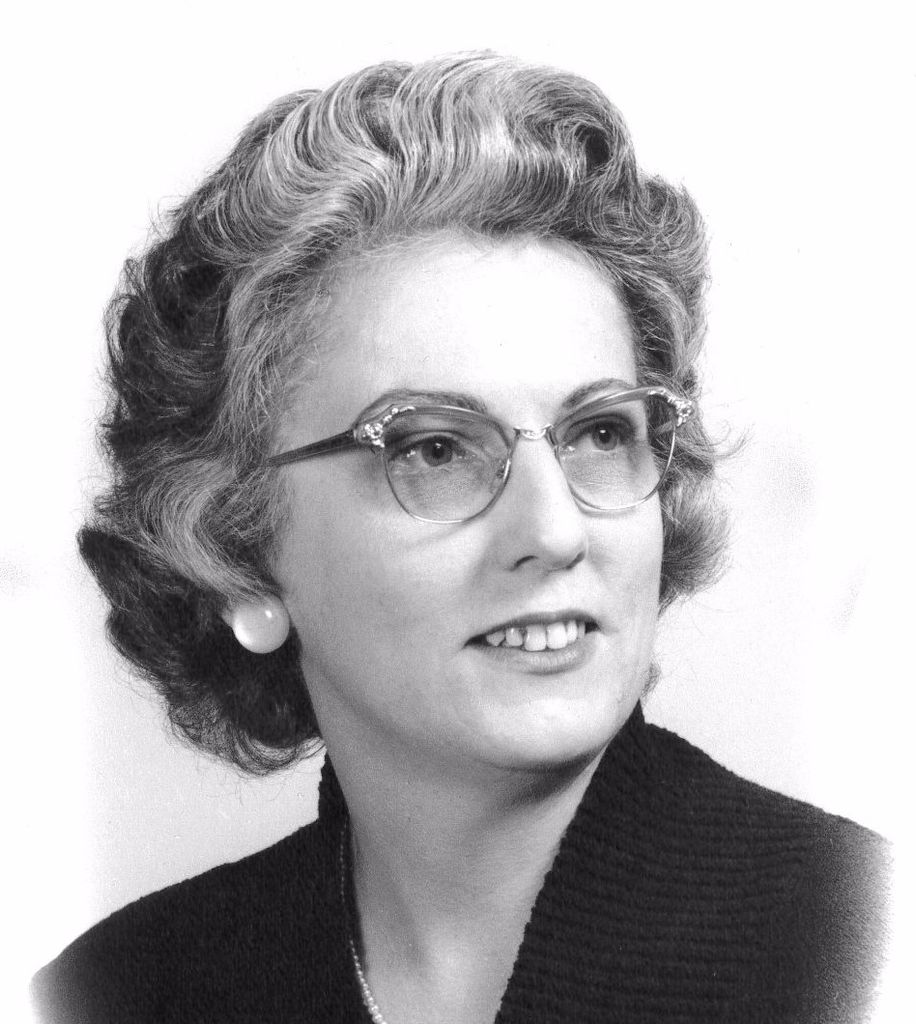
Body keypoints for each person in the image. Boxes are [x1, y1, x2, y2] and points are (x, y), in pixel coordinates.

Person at [32, 53, 888, 1024]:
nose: (554, 531)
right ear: (237, 549)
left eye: (601, 433)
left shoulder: (863, 946)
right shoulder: (113, 993)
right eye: (434, 450)